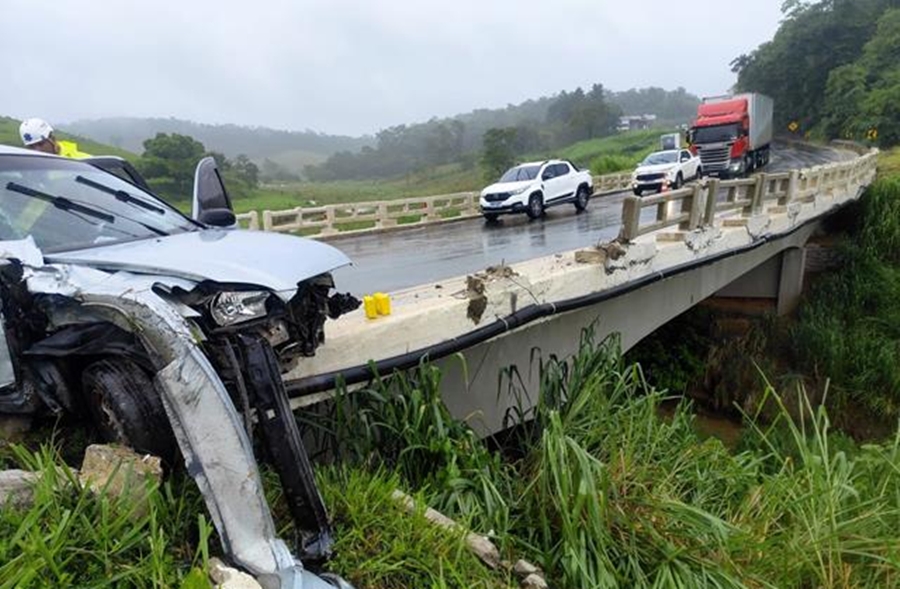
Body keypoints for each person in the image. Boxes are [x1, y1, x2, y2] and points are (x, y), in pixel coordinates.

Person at [18, 118, 90, 158]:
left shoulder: (83, 161)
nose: (37, 150)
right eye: (31, 147)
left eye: (40, 144)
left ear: (52, 138)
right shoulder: (28, 170)